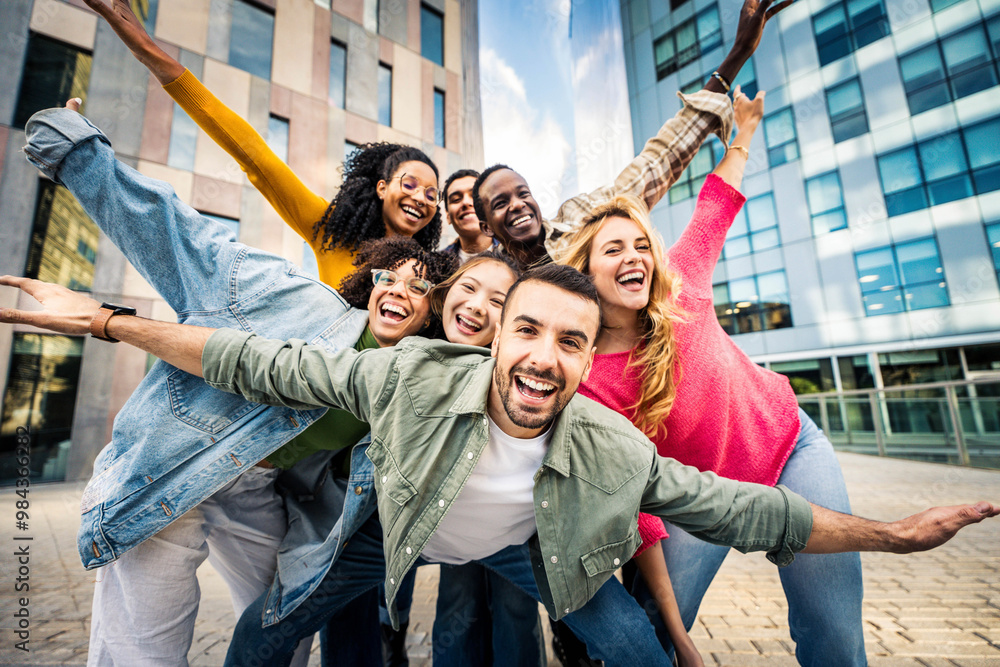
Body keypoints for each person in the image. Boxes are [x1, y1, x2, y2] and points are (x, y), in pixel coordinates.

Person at [5, 259, 997, 667]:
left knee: (638, 649)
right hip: (385, 538)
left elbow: (742, 510)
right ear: (494, 336)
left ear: (580, 357)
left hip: (528, 549)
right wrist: (100, 318)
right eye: (526, 330)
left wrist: (893, 532)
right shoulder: (413, 379)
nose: (542, 357)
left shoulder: (604, 440)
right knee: (266, 631)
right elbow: (249, 359)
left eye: (569, 342)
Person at [12, 103, 450, 667]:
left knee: (282, 630)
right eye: (389, 277)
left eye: (421, 290)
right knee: (141, 653)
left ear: (433, 315)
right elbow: (179, 235)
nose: (401, 292)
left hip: (259, 494)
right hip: (176, 469)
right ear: (369, 281)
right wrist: (76, 149)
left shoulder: (403, 385)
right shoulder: (291, 296)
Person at [556, 86, 866, 665]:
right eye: (613, 249)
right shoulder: (592, 382)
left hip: (790, 445)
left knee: (836, 635)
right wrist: (681, 636)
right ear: (586, 273)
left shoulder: (685, 286)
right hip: (696, 503)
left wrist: (744, 128)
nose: (636, 257)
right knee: (656, 644)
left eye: (641, 245)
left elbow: (717, 200)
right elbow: (643, 515)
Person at [80, 0, 443, 289]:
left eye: (432, 194)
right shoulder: (330, 231)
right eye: (410, 185)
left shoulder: (434, 275)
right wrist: (146, 49)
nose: (420, 198)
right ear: (382, 187)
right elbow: (253, 154)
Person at [472, 0, 793, 271]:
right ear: (486, 226)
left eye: (523, 193)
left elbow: (659, 161)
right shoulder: (489, 279)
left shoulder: (581, 218)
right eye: (501, 202)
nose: (518, 205)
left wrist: (737, 54)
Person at [439, 169, 501, 265]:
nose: (466, 202)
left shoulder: (517, 254)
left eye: (475, 196)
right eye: (456, 199)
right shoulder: (437, 266)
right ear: (448, 216)